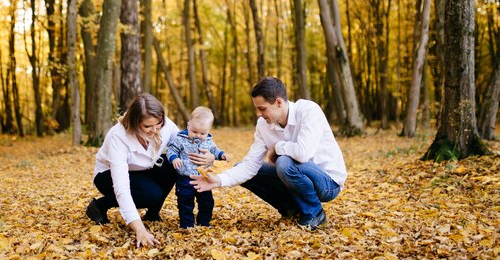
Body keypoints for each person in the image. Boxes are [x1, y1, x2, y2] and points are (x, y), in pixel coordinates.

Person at [190, 77, 347, 230]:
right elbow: (250, 165)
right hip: (297, 178)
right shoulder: (263, 125)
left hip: (328, 183)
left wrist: (277, 147)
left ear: (278, 102)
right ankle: (292, 209)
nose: (258, 114)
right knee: (250, 171)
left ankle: (315, 214)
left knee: (284, 162)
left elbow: (302, 153)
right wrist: (218, 180)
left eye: (262, 108)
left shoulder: (308, 110)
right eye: (257, 108)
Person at [86, 93, 215, 247]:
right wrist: (139, 229)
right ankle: (99, 206)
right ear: (135, 122)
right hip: (107, 176)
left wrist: (211, 158)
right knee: (150, 194)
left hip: (142, 170)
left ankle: (153, 213)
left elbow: (186, 144)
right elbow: (121, 187)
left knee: (174, 163)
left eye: (158, 124)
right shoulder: (118, 137)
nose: (154, 130)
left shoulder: (165, 125)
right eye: (147, 126)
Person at [166, 106, 228, 228]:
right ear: (188, 125)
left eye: (202, 133)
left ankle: (204, 223)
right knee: (185, 203)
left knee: (207, 202)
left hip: (203, 178)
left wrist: (221, 155)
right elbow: (171, 150)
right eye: (194, 131)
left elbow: (214, 150)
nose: (198, 135)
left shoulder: (208, 140)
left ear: (208, 130)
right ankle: (187, 225)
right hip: (185, 178)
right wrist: (174, 158)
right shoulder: (180, 139)